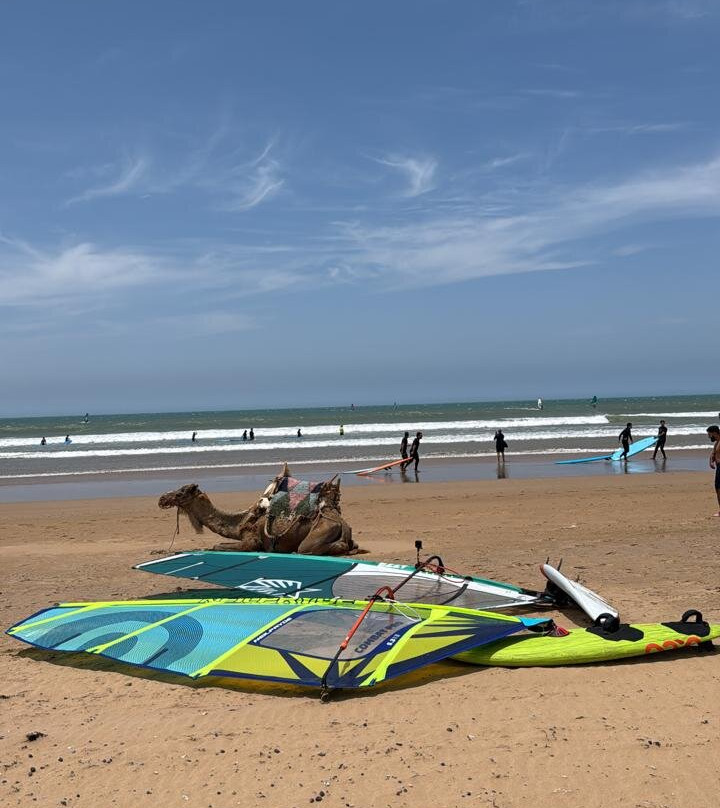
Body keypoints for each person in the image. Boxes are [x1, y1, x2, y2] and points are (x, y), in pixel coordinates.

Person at [707, 425, 720, 516]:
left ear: (714, 433)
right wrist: (711, 461)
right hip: (718, 467)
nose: (708, 436)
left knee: (719, 489)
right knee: (717, 488)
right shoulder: (717, 442)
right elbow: (713, 453)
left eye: (709, 434)